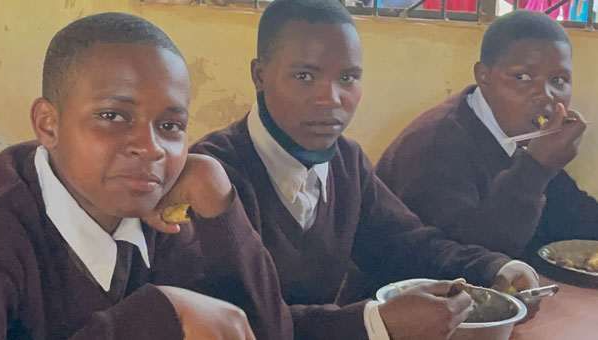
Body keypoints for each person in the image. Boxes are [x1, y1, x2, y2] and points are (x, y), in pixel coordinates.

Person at [0, 13, 293, 340]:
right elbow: (162, 319)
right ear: (48, 124)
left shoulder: (158, 216)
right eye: (112, 116)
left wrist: (217, 195)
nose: (149, 148)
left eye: (170, 126)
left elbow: (263, 331)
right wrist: (157, 316)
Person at [190, 1, 538, 339]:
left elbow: (406, 245)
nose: (331, 98)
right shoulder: (214, 177)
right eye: (304, 76)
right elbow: (240, 320)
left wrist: (492, 268)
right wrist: (373, 323)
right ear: (259, 75)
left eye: (348, 77)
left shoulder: (346, 161)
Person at [376, 10, 596, 259]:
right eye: (522, 77)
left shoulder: (523, 133)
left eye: (558, 80)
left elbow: (576, 219)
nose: (545, 95)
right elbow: (474, 259)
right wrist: (536, 167)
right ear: (484, 77)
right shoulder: (435, 145)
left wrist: (542, 164)